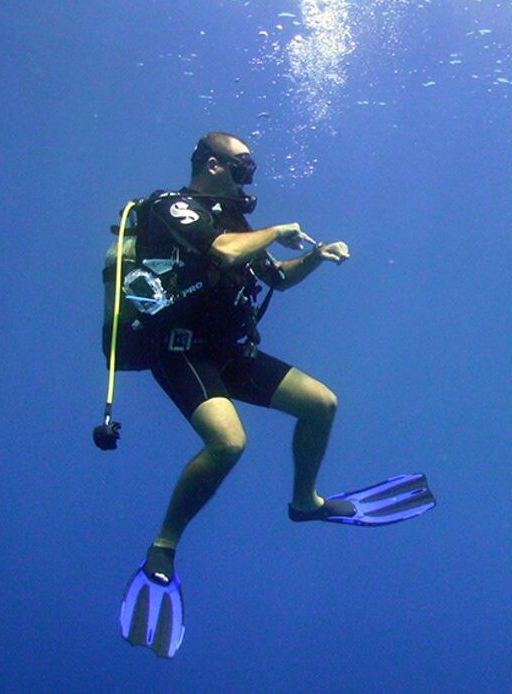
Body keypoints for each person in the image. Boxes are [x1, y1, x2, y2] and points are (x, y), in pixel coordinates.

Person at [113, 132, 435, 658]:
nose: (251, 176)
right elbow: (220, 251)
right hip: (182, 352)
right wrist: (276, 229)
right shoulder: (173, 207)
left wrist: (317, 258)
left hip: (231, 351)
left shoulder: (238, 223)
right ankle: (163, 546)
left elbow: (277, 279)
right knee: (228, 443)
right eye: (244, 166)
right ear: (213, 165)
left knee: (322, 403)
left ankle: (304, 503)